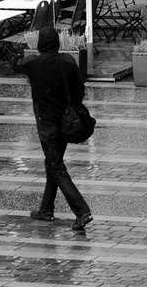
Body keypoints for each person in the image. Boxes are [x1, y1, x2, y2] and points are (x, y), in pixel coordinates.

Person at [11, 26, 93, 231]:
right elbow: (79, 89)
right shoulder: (68, 62)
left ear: (39, 43)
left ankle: (82, 211)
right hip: (65, 123)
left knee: (56, 167)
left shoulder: (33, 63)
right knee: (53, 164)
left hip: (46, 124)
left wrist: (19, 52)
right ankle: (46, 210)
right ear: (57, 42)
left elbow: (15, 64)